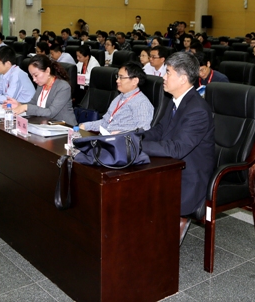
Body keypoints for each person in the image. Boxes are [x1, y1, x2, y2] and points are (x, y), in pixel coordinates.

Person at [140, 52, 216, 246]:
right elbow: (159, 130)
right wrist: (134, 137)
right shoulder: (174, 100)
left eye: (168, 73)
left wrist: (138, 146)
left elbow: (177, 148)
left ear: (183, 79)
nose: (163, 77)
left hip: (189, 175)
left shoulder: (197, 109)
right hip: (171, 165)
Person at [79, 63, 154, 133]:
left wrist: (121, 134)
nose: (117, 80)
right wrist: (85, 126)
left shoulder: (142, 103)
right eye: (117, 77)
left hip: (121, 141)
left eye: (121, 77)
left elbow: (143, 131)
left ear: (135, 81)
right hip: (106, 137)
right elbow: (105, 123)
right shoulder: (119, 97)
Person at [5, 56, 77, 126]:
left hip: (65, 127)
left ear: (47, 71)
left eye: (36, 75)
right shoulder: (41, 85)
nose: (34, 79)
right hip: (44, 125)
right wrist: (19, 105)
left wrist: (25, 107)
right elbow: (33, 104)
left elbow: (50, 113)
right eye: (32, 76)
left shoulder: (63, 87)